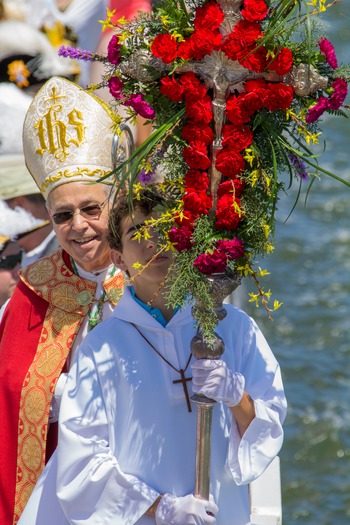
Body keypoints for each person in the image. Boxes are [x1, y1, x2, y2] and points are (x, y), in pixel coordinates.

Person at [19, 189, 287, 525]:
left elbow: (270, 430)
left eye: (164, 227)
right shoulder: (102, 347)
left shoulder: (232, 326)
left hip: (220, 513)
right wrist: (161, 507)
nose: (154, 241)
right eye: (137, 233)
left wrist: (237, 397)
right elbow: (82, 464)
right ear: (118, 258)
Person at [0, 75, 125, 525]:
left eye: (91, 209)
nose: (79, 227)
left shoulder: (150, 281)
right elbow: (9, 389)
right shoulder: (33, 290)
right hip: (54, 488)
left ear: (115, 204)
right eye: (63, 215)